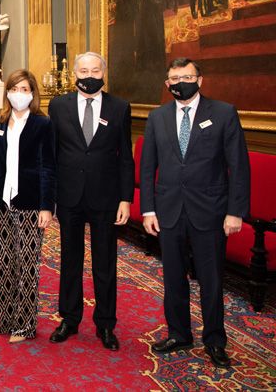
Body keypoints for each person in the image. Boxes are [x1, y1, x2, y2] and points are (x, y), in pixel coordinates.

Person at [140, 57, 250, 368]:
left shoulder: (224, 113)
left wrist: (235, 212)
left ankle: (215, 340)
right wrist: (148, 209)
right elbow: (147, 168)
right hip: (169, 210)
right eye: (175, 78)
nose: (181, 83)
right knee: (173, 277)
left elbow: (239, 166)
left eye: (187, 77)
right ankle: (179, 334)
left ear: (199, 80)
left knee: (211, 280)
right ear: (168, 84)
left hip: (211, 211)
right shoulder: (157, 116)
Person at [47, 52, 134, 351]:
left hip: (106, 197)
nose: (89, 76)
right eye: (84, 71)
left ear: (104, 73)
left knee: (105, 263)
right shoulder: (58, 105)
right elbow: (52, 154)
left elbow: (126, 158)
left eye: (95, 71)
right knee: (70, 260)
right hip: (68, 196)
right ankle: (69, 319)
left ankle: (106, 324)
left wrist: (126, 199)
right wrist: (50, 197)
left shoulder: (119, 107)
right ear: (74, 74)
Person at [0, 69, 56, 343]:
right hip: (1, 201)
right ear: (7, 92)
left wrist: (47, 206)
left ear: (32, 93)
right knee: (4, 263)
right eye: (14, 88)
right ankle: (7, 320)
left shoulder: (43, 124)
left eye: (24, 89)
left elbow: (48, 167)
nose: (19, 94)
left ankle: (24, 326)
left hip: (30, 202)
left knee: (27, 265)